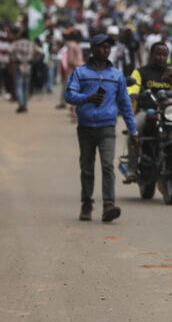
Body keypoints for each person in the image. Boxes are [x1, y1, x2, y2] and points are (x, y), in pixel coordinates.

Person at [64, 34, 138, 223]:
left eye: (108, 47)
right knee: (87, 167)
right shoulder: (80, 73)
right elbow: (69, 94)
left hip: (107, 127)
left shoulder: (116, 75)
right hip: (86, 127)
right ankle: (87, 204)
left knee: (107, 165)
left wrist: (133, 129)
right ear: (93, 49)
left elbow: (125, 104)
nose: (106, 50)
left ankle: (108, 205)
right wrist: (86, 98)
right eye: (102, 47)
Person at [124, 41, 172, 182]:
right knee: (134, 129)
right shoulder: (140, 72)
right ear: (151, 55)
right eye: (158, 54)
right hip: (148, 111)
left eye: (165, 55)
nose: (161, 58)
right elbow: (132, 87)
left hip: (169, 112)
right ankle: (132, 169)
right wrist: (132, 94)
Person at [10, 29, 42, 113]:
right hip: (28, 66)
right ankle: (25, 105)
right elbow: (41, 52)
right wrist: (34, 60)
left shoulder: (16, 43)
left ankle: (20, 103)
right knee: (26, 87)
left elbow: (9, 51)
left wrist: (14, 59)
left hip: (18, 65)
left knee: (19, 85)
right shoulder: (31, 44)